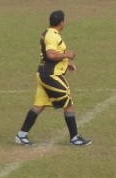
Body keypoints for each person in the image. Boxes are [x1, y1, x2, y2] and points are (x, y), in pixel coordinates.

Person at [15, 9, 93, 147]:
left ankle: (21, 135)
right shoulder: (52, 36)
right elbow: (51, 54)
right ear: (61, 23)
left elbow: (50, 55)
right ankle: (74, 138)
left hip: (45, 73)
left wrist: (65, 64)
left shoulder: (49, 33)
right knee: (68, 102)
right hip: (51, 76)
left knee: (39, 106)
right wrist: (67, 55)